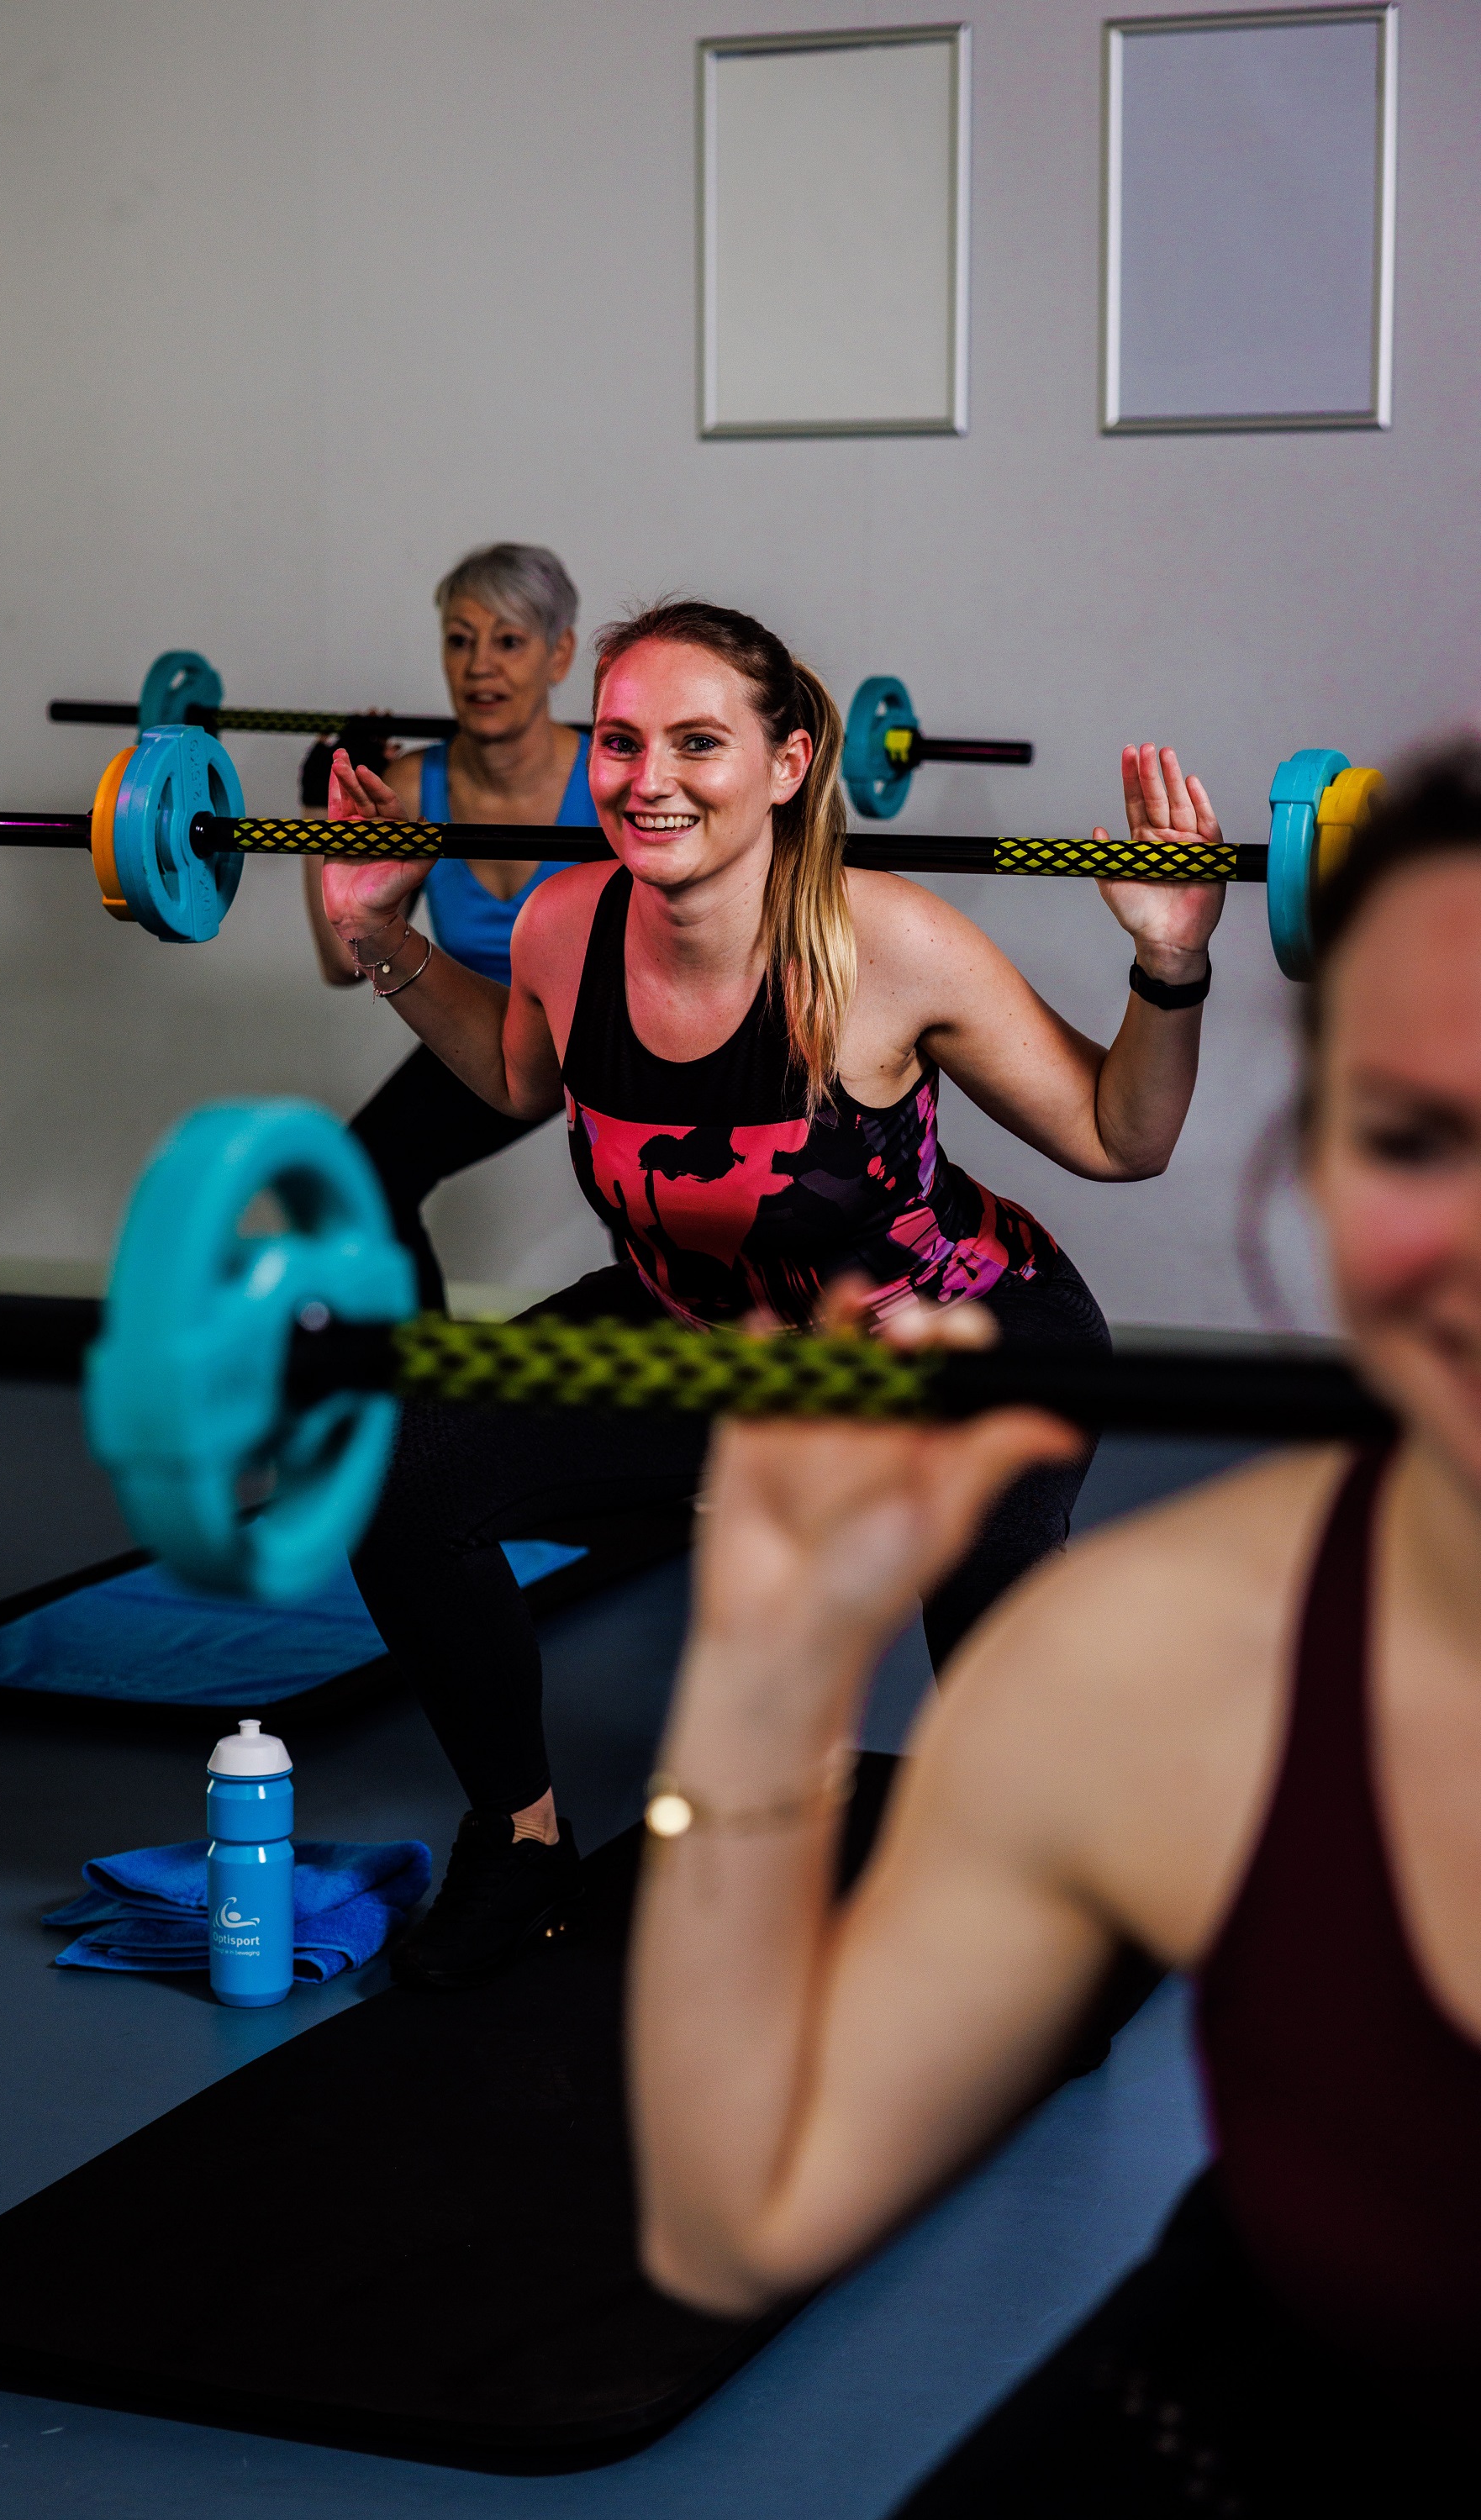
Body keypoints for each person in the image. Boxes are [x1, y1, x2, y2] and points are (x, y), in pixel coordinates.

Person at [629, 746, 1481, 2506]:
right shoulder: (1151, 1662)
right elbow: (739, 2212)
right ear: (1313, 1178)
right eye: (1412, 1138)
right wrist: (765, 1666)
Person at [321, 597, 1224, 1990]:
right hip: (703, 1333)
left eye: (698, 741)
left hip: (953, 1327)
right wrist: (385, 935)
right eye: (621, 741)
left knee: (981, 1612)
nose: (648, 778)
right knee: (400, 1475)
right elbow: (515, 1074)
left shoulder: (888, 945)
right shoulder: (565, 922)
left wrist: (1170, 964)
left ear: (791, 762)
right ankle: (521, 1841)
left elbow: (1122, 1135)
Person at [301, 541, 593, 1310]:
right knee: (362, 1173)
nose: (480, 667)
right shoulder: (408, 788)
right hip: (489, 1027)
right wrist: (316, 813)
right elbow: (342, 963)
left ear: (559, 654)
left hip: (609, 1031)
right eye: (460, 641)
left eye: (509, 641)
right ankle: (431, 1392)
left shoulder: (615, 781)